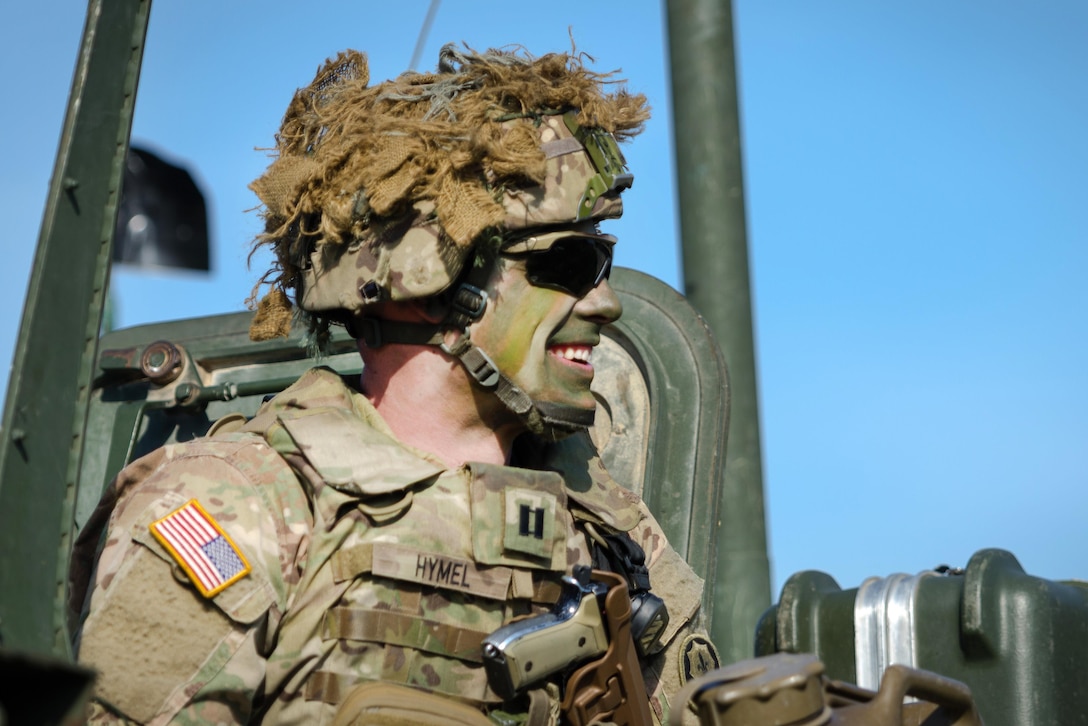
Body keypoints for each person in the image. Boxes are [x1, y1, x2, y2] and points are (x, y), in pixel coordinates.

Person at [68, 43, 719, 725]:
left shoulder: (606, 524)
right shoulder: (240, 507)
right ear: (424, 286)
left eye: (604, 264)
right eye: (570, 262)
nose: (603, 303)